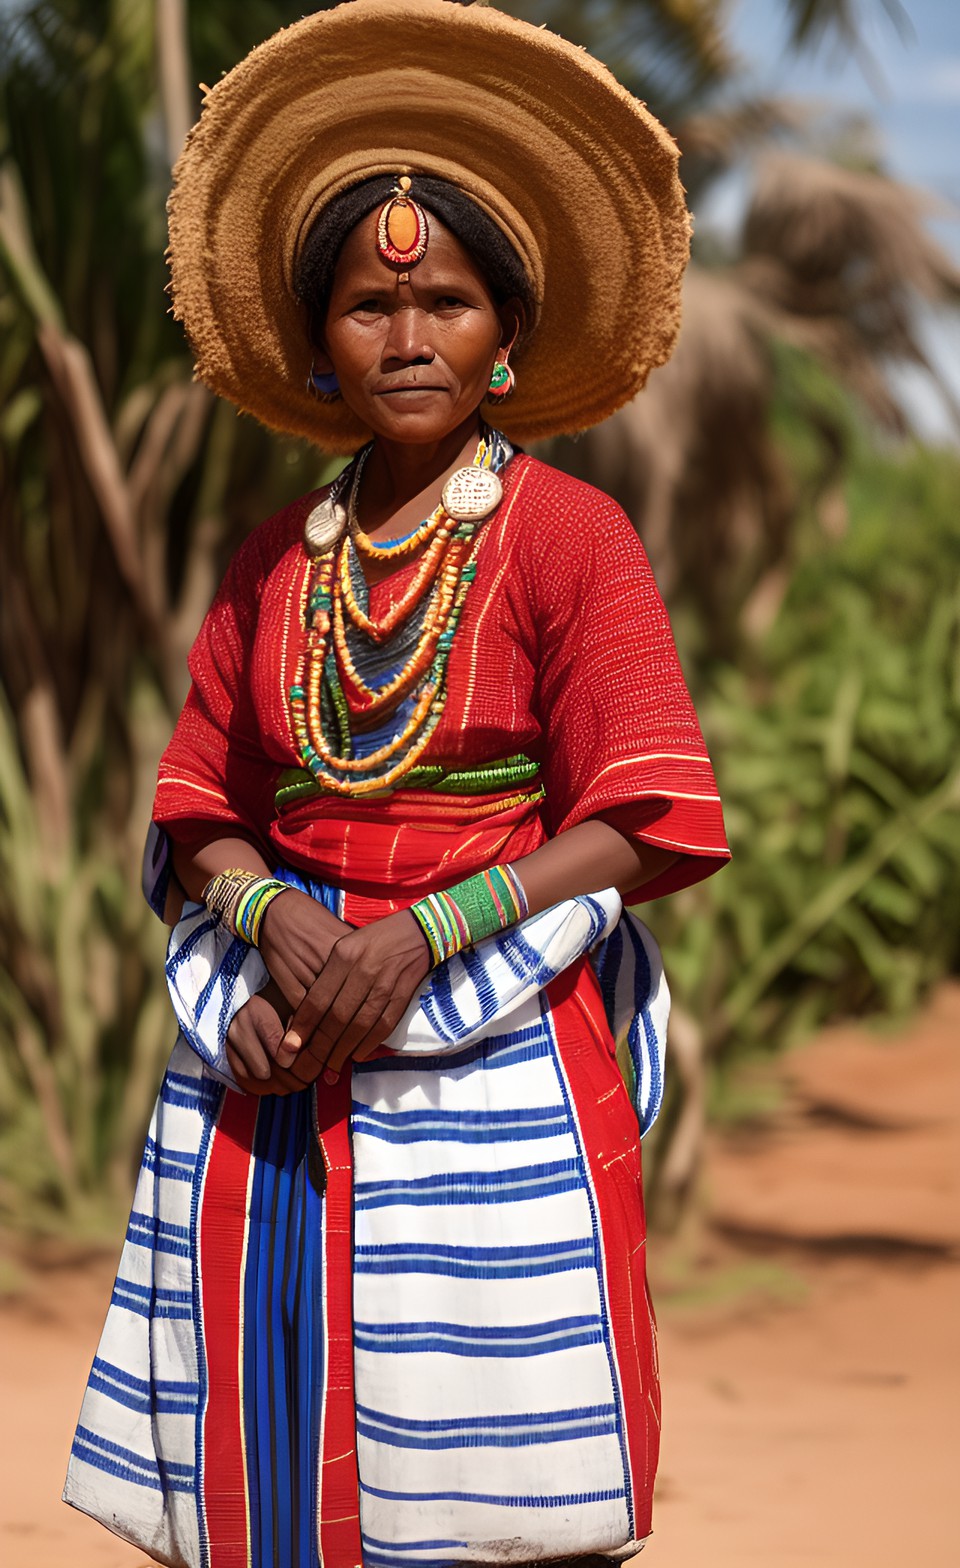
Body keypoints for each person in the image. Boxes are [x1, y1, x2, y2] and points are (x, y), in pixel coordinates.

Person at [64, 4, 729, 1566]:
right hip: (272, 1045)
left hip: (492, 1045)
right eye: (371, 303)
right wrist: (263, 917)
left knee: (493, 1491)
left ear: (509, 328)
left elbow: (639, 814)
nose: (410, 334)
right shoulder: (268, 563)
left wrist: (426, 933)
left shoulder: (572, 540)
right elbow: (196, 800)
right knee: (269, 1466)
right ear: (317, 339)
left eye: (446, 300)